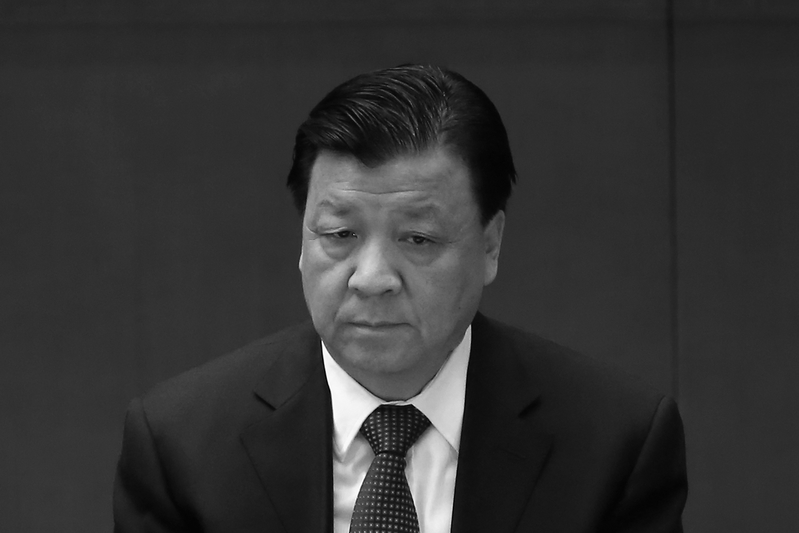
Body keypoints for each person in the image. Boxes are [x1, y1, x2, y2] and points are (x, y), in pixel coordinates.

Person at [113, 64, 687, 533]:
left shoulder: (612, 445)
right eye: (340, 234)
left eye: (418, 239)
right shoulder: (182, 445)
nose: (371, 278)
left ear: (490, 245)